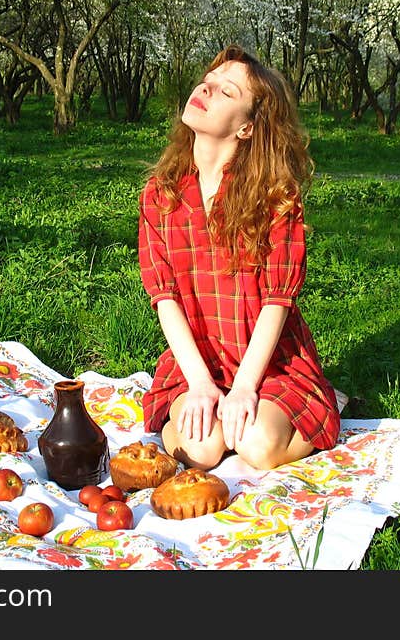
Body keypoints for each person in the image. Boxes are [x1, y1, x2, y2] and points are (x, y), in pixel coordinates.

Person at [137, 44, 341, 472]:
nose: (206, 91)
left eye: (226, 92)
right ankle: (201, 414)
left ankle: (318, 405)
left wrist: (246, 387)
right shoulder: (161, 194)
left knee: (257, 446)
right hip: (198, 357)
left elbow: (277, 301)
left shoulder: (276, 198)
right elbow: (165, 296)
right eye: (207, 83)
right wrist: (199, 385)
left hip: (269, 364)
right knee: (202, 451)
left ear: (248, 127)